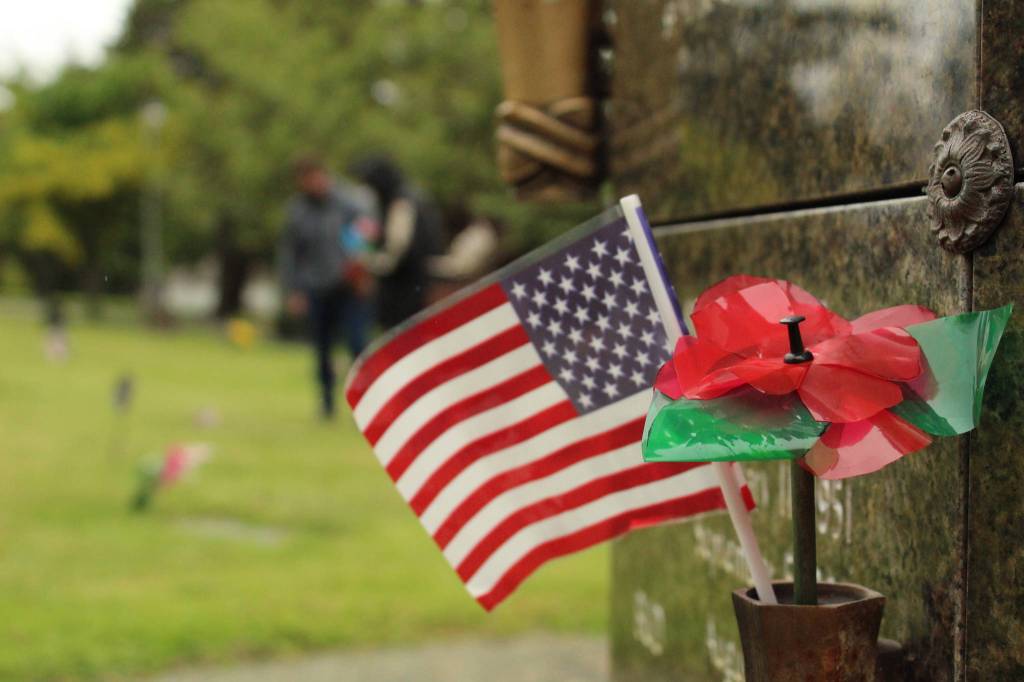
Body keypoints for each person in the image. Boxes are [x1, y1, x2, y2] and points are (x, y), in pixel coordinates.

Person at [280, 155, 378, 418]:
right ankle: (326, 404)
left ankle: (368, 403)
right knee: (322, 349)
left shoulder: (349, 202)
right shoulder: (298, 211)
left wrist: (361, 268)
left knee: (357, 344)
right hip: (317, 288)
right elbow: (291, 254)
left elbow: (367, 233)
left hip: (349, 287)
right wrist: (294, 289)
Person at [352, 156, 441, 329]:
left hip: (406, 284)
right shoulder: (411, 196)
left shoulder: (401, 203)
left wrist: (370, 263)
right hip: (414, 281)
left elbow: (397, 251)